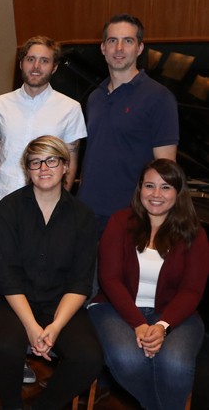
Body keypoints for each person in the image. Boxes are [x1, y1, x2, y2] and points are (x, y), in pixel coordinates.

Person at [0, 135, 102, 409]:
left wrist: (55, 326)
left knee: (89, 358)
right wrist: (32, 326)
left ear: (65, 166)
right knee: (5, 348)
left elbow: (81, 281)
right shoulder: (9, 208)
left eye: (52, 160)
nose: (44, 168)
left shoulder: (83, 216)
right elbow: (6, 276)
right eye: (36, 162)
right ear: (27, 169)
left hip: (60, 303)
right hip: (12, 301)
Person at [88, 159, 209, 410]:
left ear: (178, 192)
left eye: (165, 187)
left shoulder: (194, 233)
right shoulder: (119, 222)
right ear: (139, 189)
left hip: (174, 314)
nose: (156, 194)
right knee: (129, 359)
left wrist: (162, 325)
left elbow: (192, 290)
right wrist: (140, 324)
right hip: (115, 308)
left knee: (175, 365)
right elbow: (110, 279)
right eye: (149, 185)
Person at [78, 14, 179, 235]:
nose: (119, 48)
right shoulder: (95, 97)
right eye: (112, 41)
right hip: (87, 214)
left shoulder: (159, 98)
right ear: (103, 48)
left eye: (128, 41)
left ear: (140, 48)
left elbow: (166, 168)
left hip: (131, 217)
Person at [0, 35, 86, 216]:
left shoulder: (70, 108)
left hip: (45, 209)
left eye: (44, 61)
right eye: (30, 59)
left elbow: (70, 164)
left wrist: (59, 207)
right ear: (21, 64)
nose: (36, 67)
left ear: (54, 67)